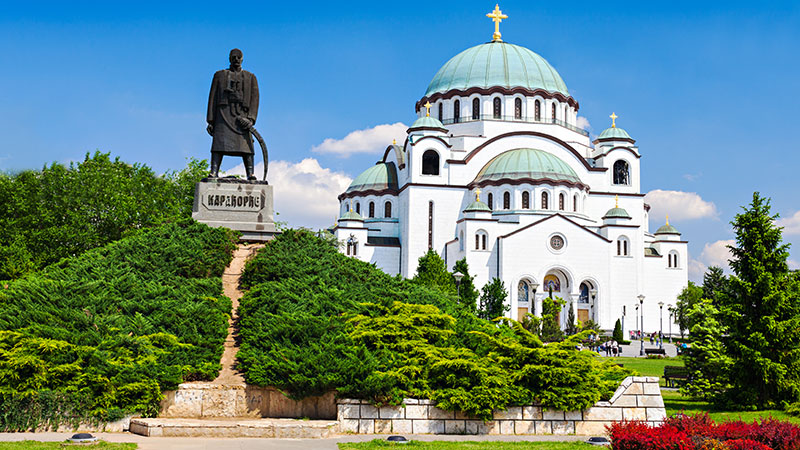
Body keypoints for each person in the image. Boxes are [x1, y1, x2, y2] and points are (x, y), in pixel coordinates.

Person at [207, 48, 260, 180]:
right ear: (229, 58)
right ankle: (214, 171)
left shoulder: (250, 77)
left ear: (242, 59)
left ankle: (250, 173)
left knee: (247, 146)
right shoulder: (219, 75)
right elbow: (212, 98)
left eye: (238, 57)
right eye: (233, 57)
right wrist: (211, 121)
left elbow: (255, 100)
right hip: (223, 114)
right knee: (219, 144)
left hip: (242, 116)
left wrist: (251, 119)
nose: (236, 59)